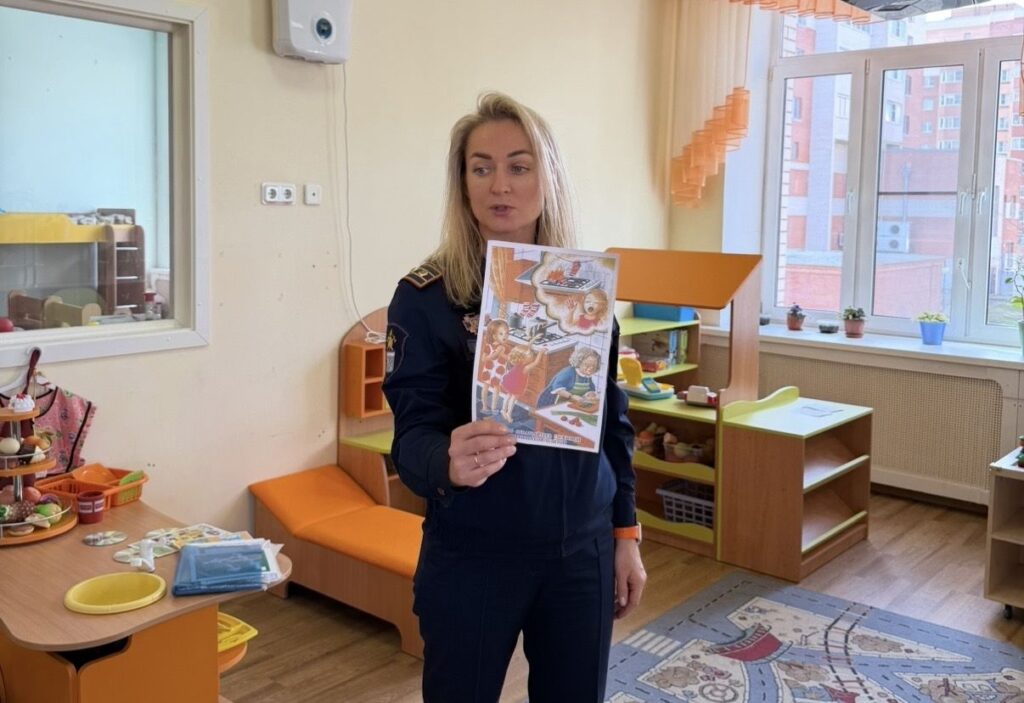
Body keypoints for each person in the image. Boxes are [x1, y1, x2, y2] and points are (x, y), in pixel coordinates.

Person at [382, 92, 645, 703]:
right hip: (475, 554)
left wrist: (625, 534)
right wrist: (446, 460)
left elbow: (613, 423)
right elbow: (411, 433)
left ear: (547, 179)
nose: (499, 185)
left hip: (581, 550)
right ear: (463, 183)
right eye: (481, 168)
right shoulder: (426, 298)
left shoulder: (584, 292)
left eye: (519, 166)